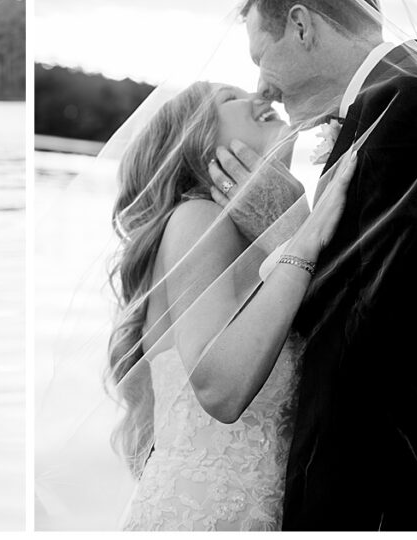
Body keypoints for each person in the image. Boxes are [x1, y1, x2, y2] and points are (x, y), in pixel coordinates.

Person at [218, 0, 417, 529]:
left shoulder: (414, 106)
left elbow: (375, 321)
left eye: (261, 57)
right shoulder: (411, 97)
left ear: (302, 26)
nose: (262, 86)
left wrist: (287, 235)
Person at [109, 81, 358, 530]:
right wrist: (305, 236)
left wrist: (292, 229)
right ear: (197, 145)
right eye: (231, 100)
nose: (262, 97)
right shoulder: (197, 220)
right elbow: (220, 388)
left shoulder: (259, 240)